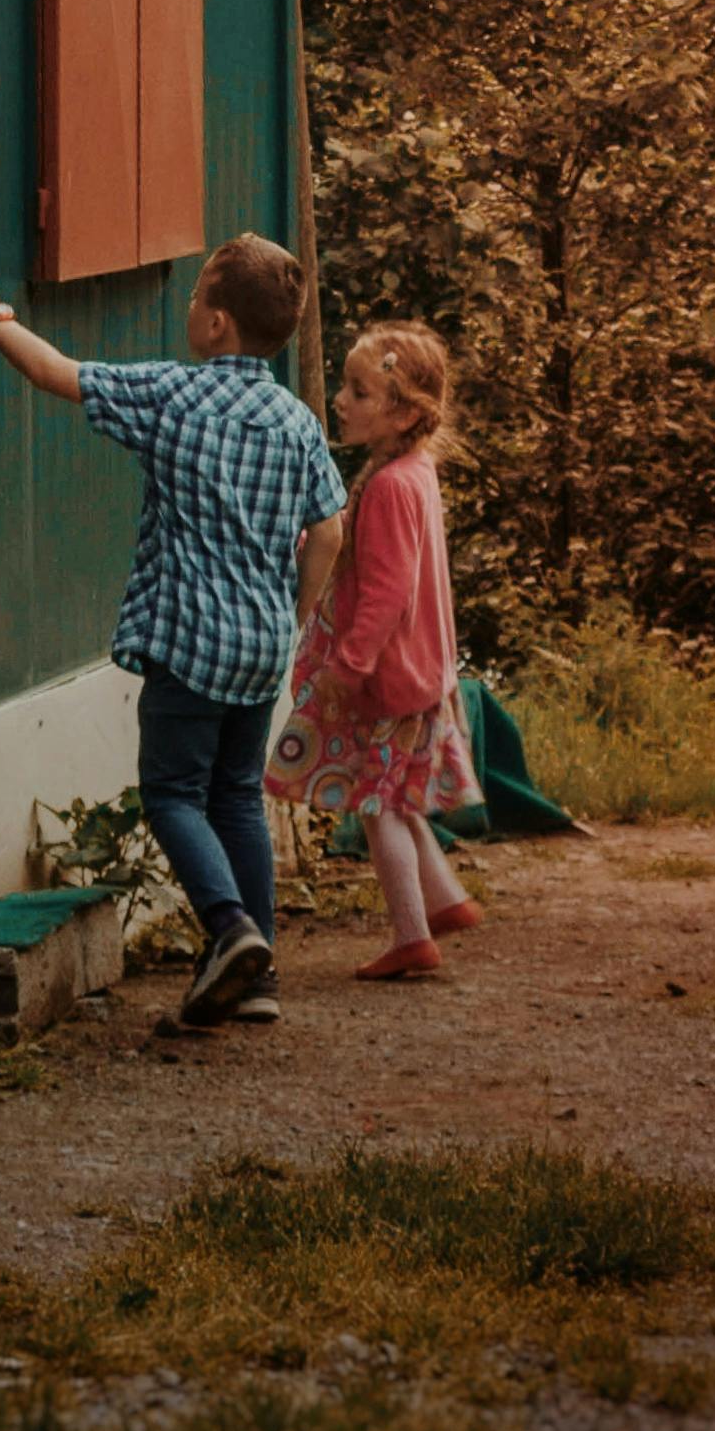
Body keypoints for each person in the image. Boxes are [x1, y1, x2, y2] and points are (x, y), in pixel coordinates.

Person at [0, 236, 345, 1030]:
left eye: (197, 297)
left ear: (218, 324)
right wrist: (294, 615)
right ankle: (257, 974)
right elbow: (329, 528)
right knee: (234, 797)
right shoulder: (296, 421)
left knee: (170, 795)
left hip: (191, 644)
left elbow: (55, 373)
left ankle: (230, 930)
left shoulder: (173, 395)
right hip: (262, 646)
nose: (188, 308)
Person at [267, 323, 478, 981]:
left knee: (379, 804)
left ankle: (412, 936)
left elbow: (385, 594)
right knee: (398, 793)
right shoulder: (411, 472)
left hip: (387, 674)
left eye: (359, 392)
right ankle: (443, 900)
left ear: (404, 412)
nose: (340, 400)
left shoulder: (387, 487)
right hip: (423, 670)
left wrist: (348, 666)